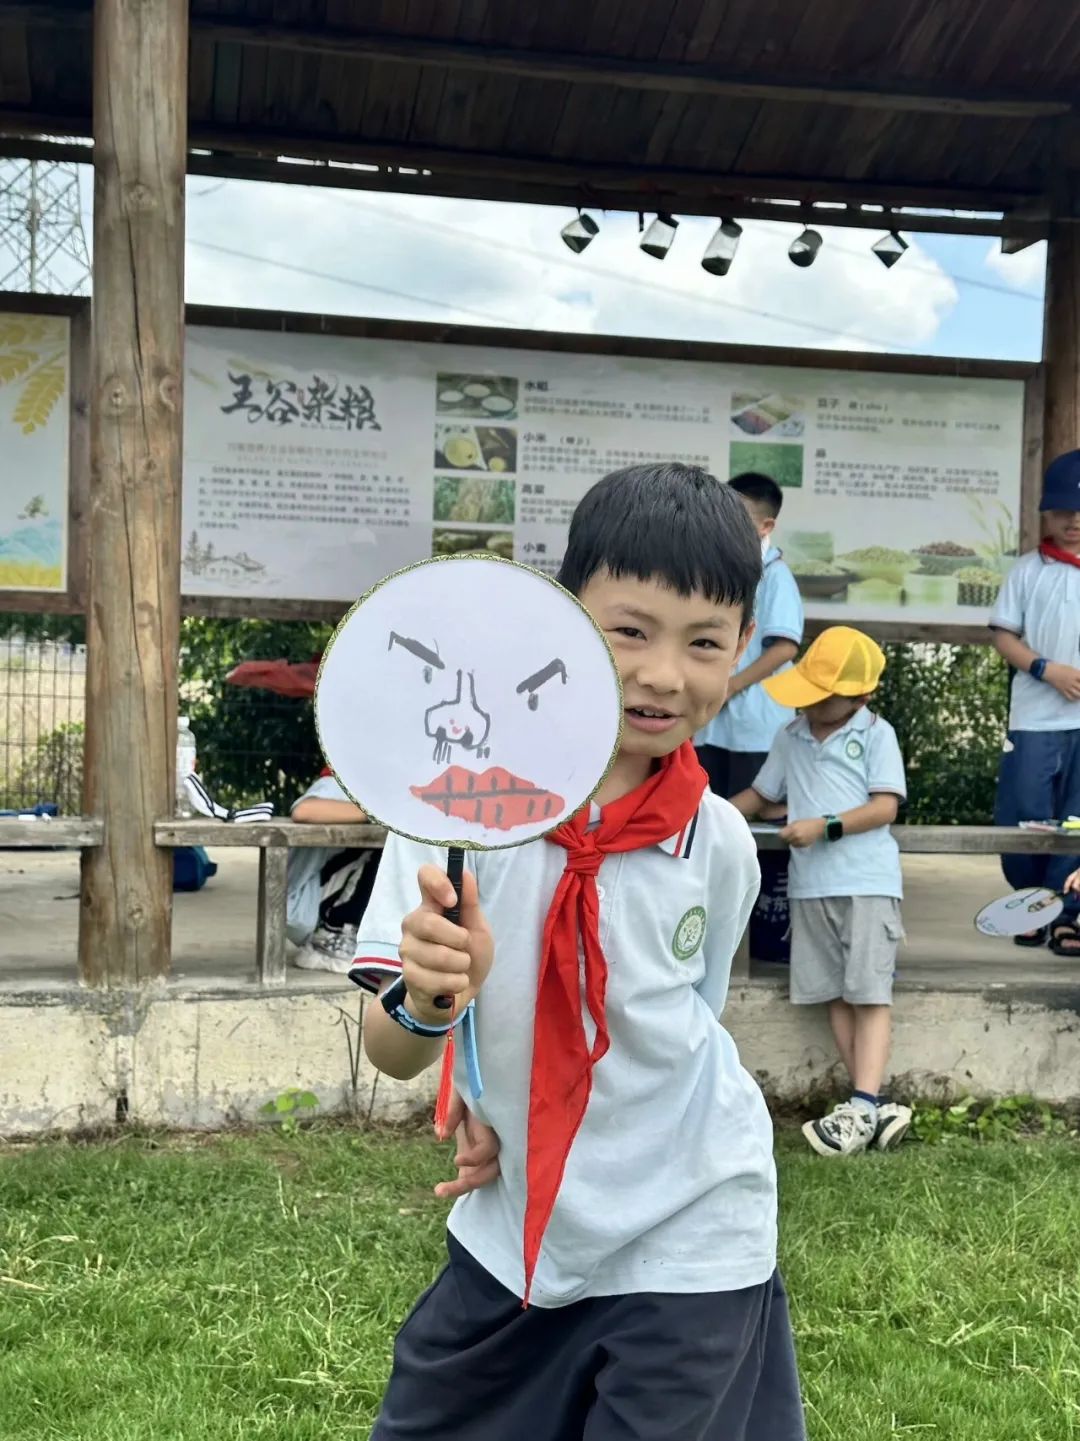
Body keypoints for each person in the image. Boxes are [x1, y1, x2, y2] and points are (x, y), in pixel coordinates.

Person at [351, 463, 806, 1441]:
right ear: (560, 620)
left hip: (694, 1231)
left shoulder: (719, 840)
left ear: (740, 653)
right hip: (516, 1235)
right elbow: (389, 1046)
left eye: (705, 642)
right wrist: (434, 1009)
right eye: (629, 629)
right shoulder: (453, 813)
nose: (662, 674)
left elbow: (686, 1019)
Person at [731, 627, 911, 1158]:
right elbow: (763, 795)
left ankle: (862, 1100)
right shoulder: (792, 736)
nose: (809, 705)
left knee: (869, 992)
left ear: (861, 695)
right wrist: (704, 811)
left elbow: (885, 807)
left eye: (822, 695)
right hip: (812, 888)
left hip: (867, 882)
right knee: (831, 991)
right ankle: (870, 1107)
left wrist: (824, 826)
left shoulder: (878, 735)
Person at [696, 472, 804, 964]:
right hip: (714, 727)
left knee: (752, 834)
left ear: (766, 525)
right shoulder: (722, 569)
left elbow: (783, 645)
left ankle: (758, 939)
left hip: (756, 727)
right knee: (708, 825)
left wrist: (733, 684)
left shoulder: (777, 576)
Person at [990, 450, 1080, 956]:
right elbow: (1004, 636)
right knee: (1025, 814)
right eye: (1064, 510)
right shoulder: (1027, 571)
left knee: (1078, 817)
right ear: (1047, 513)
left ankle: (1070, 913)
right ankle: (1029, 903)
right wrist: (1048, 669)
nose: (1074, 521)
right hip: (1034, 718)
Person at [286, 770, 382, 972]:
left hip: (311, 900)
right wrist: (376, 813)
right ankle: (332, 934)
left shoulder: (366, 787)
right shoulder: (337, 782)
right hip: (304, 905)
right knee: (386, 848)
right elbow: (304, 811)